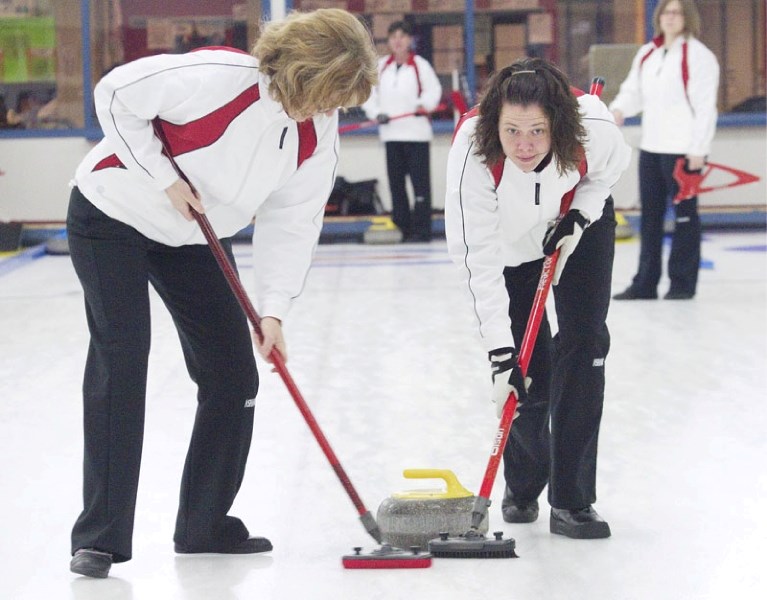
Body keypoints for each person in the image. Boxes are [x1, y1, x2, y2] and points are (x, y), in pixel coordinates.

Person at [67, 8, 377, 579]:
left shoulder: (318, 128)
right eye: (328, 94)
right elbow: (114, 94)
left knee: (234, 377)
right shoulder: (217, 78)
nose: (331, 109)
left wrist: (274, 309)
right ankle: (100, 537)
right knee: (124, 357)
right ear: (301, 70)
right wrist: (164, 177)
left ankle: (205, 523)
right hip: (114, 211)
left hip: (195, 233)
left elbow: (294, 218)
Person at [445, 58, 631, 539]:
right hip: (509, 248)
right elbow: (475, 259)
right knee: (526, 373)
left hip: (574, 226)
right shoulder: (473, 150)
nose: (524, 145)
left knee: (585, 345)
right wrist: (499, 353)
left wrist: (581, 215)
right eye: (512, 131)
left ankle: (572, 500)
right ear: (494, 126)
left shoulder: (591, 128)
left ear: (559, 125)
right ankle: (524, 483)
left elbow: (607, 173)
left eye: (537, 131)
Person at [610, 0, 719, 300]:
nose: (671, 18)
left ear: (688, 18)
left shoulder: (699, 57)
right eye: (666, 12)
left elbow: (705, 107)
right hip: (652, 147)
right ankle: (645, 283)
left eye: (677, 13)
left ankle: (682, 285)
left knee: (685, 219)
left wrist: (699, 149)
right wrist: (617, 110)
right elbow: (633, 92)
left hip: (685, 151)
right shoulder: (648, 53)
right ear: (658, 17)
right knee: (650, 218)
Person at [361, 20, 442, 242]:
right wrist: (377, 113)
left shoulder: (420, 65)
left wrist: (421, 106)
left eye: (402, 36)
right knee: (396, 186)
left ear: (409, 40)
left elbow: (433, 91)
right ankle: (402, 229)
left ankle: (422, 231)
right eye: (393, 36)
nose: (398, 40)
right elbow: (368, 95)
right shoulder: (381, 66)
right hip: (391, 135)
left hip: (416, 135)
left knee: (420, 186)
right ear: (388, 41)